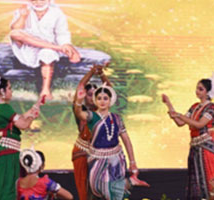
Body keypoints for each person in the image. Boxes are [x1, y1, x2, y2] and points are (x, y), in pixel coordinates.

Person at [74, 83, 149, 200]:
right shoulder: (91, 116)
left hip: (116, 159)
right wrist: (79, 101)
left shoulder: (117, 119)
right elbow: (79, 113)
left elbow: (126, 140)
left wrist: (133, 162)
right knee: (97, 187)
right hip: (96, 159)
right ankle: (130, 182)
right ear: (95, 101)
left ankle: (127, 183)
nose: (102, 101)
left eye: (105, 98)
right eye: (99, 98)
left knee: (113, 193)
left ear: (110, 101)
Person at [162, 72, 214, 200]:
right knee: (195, 178)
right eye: (197, 88)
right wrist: (168, 104)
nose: (197, 91)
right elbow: (180, 123)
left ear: (208, 92)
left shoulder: (212, 108)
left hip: (207, 147)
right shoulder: (195, 106)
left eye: (201, 89)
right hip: (195, 146)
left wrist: (179, 115)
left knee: (208, 177)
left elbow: (200, 124)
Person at [0, 69, 41, 200]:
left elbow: (18, 119)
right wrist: (33, 114)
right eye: (9, 88)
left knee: (2, 187)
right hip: (6, 154)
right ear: (2, 92)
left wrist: (33, 110)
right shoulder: (3, 107)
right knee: (7, 188)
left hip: (3, 152)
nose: (11, 91)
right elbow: (23, 125)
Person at [10, 0, 81, 100]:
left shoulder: (56, 13)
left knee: (47, 54)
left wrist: (65, 44)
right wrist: (23, 16)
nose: (38, 3)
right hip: (28, 48)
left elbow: (62, 33)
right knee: (15, 34)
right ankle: (57, 48)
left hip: (48, 47)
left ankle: (45, 90)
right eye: (35, 0)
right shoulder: (24, 10)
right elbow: (15, 29)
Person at [72, 64, 112, 200]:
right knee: (85, 191)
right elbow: (80, 87)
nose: (93, 97)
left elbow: (110, 90)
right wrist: (91, 72)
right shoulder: (80, 111)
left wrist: (101, 74)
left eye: (96, 95)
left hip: (99, 153)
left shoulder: (101, 111)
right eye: (90, 95)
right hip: (82, 152)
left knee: (101, 190)